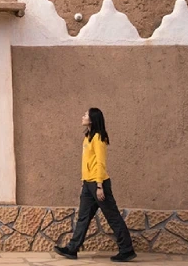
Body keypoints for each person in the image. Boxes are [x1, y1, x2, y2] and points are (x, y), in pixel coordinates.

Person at [53, 108, 136, 262]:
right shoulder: (87, 138)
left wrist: (99, 186)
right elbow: (87, 163)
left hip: (99, 183)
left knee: (113, 217)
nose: (82, 116)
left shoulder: (99, 138)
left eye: (85, 114)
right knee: (83, 217)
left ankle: (127, 250)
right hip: (88, 184)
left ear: (92, 119)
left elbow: (100, 163)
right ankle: (72, 249)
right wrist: (83, 182)